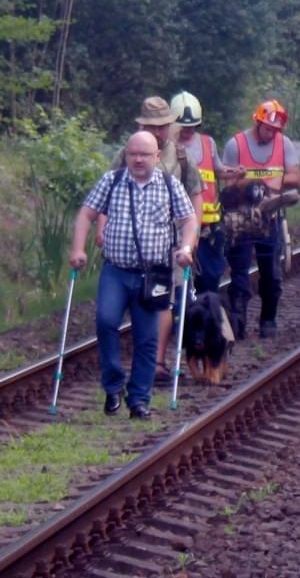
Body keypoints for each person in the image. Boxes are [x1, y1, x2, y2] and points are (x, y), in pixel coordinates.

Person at [69, 131, 198, 418]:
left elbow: (189, 220)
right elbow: (86, 214)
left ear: (156, 156)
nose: (138, 160)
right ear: (126, 155)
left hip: (152, 275)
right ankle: (113, 385)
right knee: (105, 321)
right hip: (116, 270)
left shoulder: (169, 184)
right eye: (133, 154)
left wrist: (186, 247)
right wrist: (78, 249)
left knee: (147, 338)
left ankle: (139, 400)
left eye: (144, 154)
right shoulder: (112, 180)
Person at [101, 97, 204, 386]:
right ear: (142, 126)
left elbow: (196, 196)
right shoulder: (127, 154)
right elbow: (107, 192)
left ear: (169, 126)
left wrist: (192, 237)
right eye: (151, 126)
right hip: (127, 241)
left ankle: (156, 363)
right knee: (122, 309)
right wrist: (102, 227)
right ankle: (133, 364)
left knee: (162, 302)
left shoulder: (181, 157)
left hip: (170, 245)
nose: (158, 132)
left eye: (161, 126)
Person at [224, 100, 300, 338]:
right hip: (241, 219)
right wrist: (249, 184)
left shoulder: (284, 144)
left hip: (270, 217)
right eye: (268, 128)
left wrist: (277, 182)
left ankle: (268, 319)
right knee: (240, 273)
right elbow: (228, 184)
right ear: (257, 123)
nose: (271, 133)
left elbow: (296, 177)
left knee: (271, 273)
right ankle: (238, 323)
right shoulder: (236, 145)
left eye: (275, 130)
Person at [170, 91, 243, 294]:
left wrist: (234, 172)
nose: (188, 130)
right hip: (177, 227)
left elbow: (218, 170)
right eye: (183, 126)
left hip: (208, 227)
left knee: (209, 278)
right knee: (177, 284)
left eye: (192, 125)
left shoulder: (207, 143)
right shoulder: (167, 147)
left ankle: (205, 310)